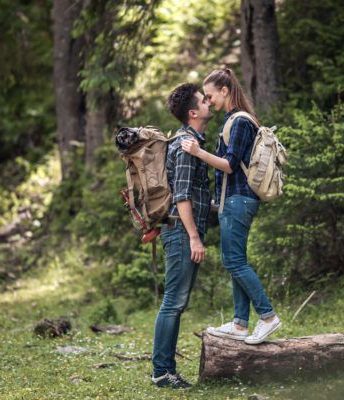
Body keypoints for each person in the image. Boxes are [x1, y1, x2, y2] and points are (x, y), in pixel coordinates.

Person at [181, 67, 282, 345]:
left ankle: (268, 316)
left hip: (240, 200)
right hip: (232, 200)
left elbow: (228, 164)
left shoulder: (238, 121)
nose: (208, 101)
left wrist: (198, 152)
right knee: (234, 259)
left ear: (224, 91)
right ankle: (239, 324)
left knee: (234, 260)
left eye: (210, 96)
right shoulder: (232, 120)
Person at [151, 83, 212, 389]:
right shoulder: (186, 145)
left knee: (176, 301)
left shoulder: (192, 142)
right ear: (193, 112)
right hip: (179, 231)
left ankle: (165, 368)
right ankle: (162, 372)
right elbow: (183, 196)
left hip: (180, 230)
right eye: (204, 100)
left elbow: (192, 193)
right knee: (173, 302)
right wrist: (194, 237)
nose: (209, 102)